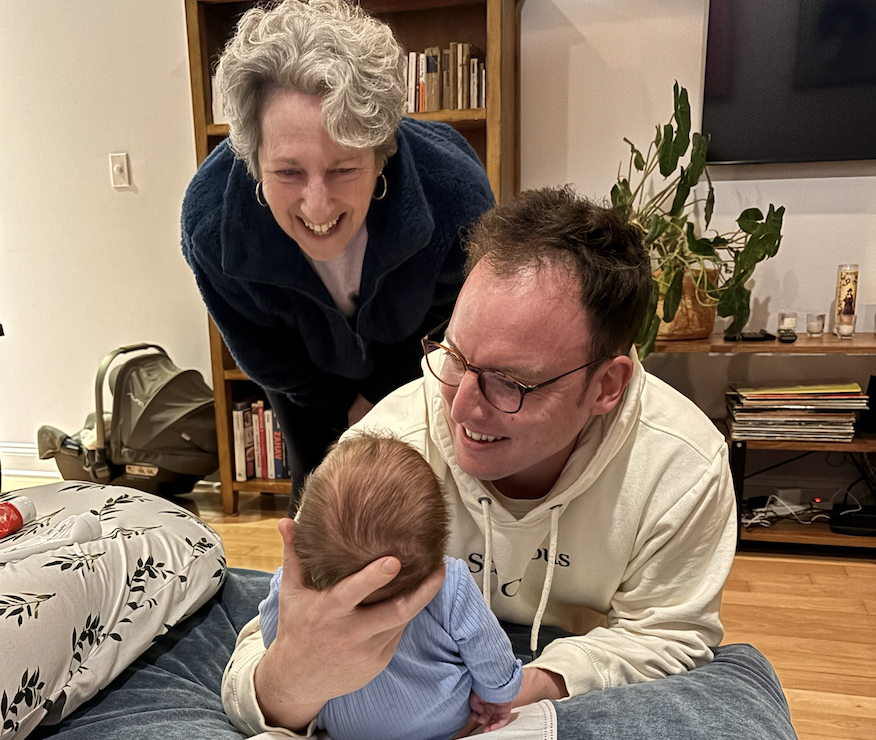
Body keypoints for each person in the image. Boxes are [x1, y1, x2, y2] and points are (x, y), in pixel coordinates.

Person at [220, 186, 797, 739]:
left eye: (511, 382)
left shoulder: (682, 465)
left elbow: (667, 633)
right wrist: (295, 678)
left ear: (607, 385)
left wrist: (538, 683)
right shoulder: (380, 454)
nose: (461, 407)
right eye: (454, 355)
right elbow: (267, 653)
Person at [181, 0, 494, 494]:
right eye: (288, 172)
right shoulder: (210, 223)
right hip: (303, 375)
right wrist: (342, 411)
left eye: (344, 169)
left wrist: (377, 396)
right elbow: (260, 348)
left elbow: (452, 320)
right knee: (316, 485)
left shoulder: (456, 196)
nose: (318, 205)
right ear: (252, 159)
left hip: (413, 357)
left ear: (381, 153)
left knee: (415, 488)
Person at [258, 433, 522, 739]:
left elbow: (274, 637)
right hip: (447, 726)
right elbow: (487, 648)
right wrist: (498, 695)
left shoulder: (295, 591)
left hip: (348, 733)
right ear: (439, 539)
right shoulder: (451, 582)